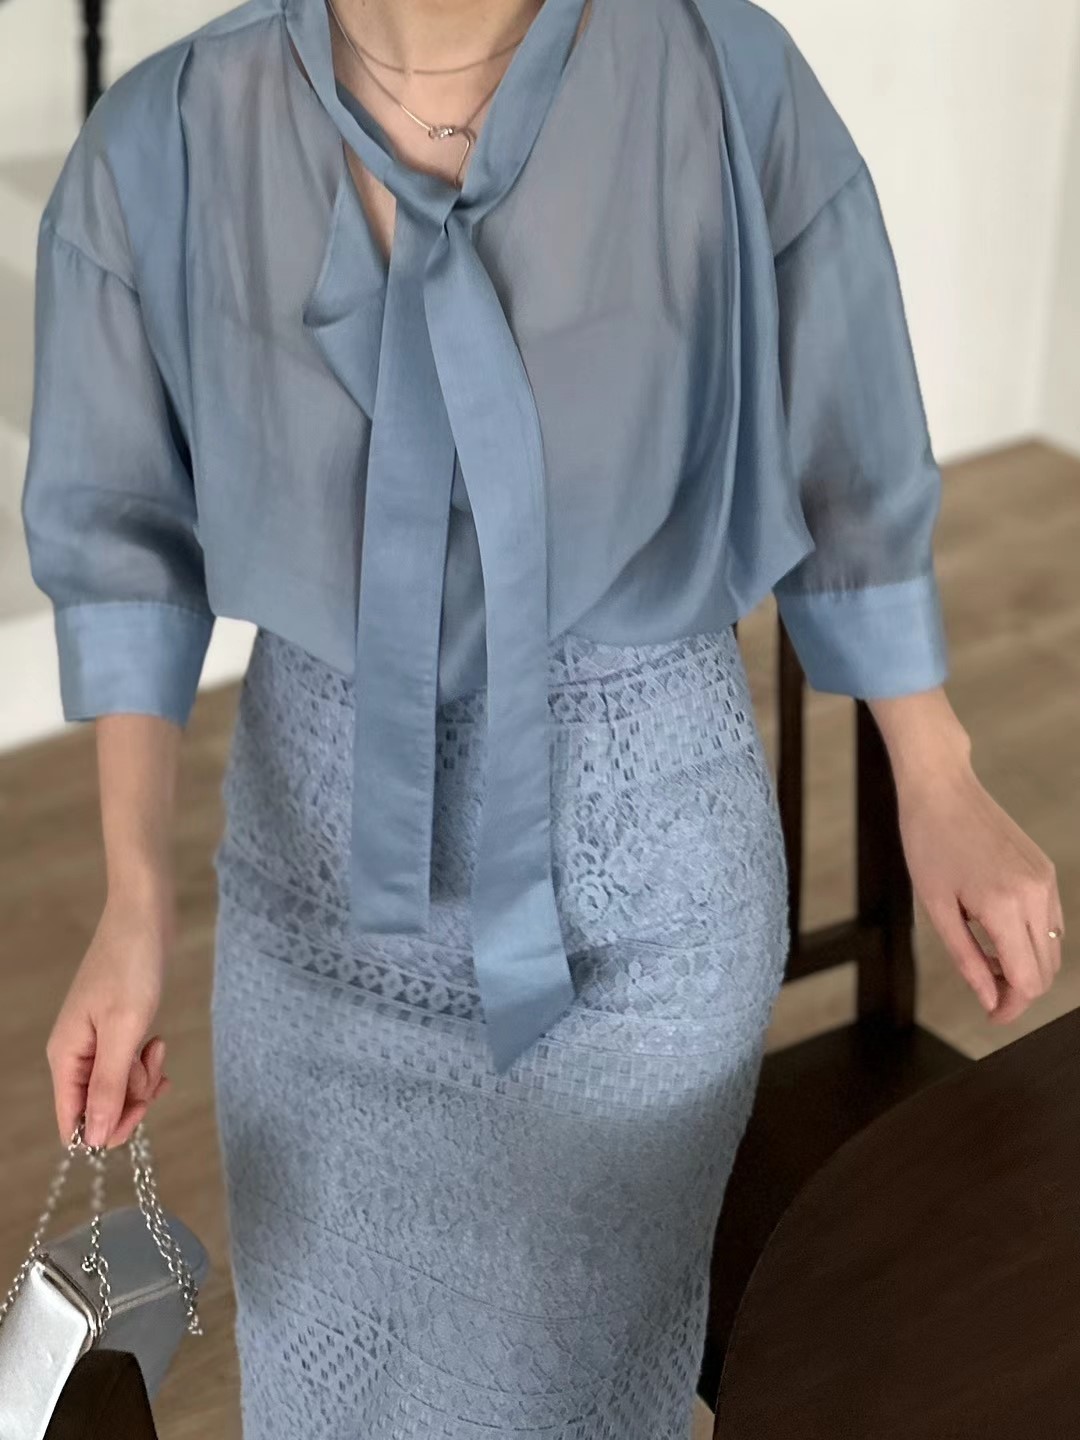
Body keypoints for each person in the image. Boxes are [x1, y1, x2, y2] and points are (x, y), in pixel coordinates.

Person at [21, 0, 1065, 1435]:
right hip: (312, 908)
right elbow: (124, 550)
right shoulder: (166, 141)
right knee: (323, 1387)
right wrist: (132, 902)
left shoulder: (719, 80)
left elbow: (851, 458)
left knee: (560, 1400)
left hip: (643, 910)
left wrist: (936, 775)